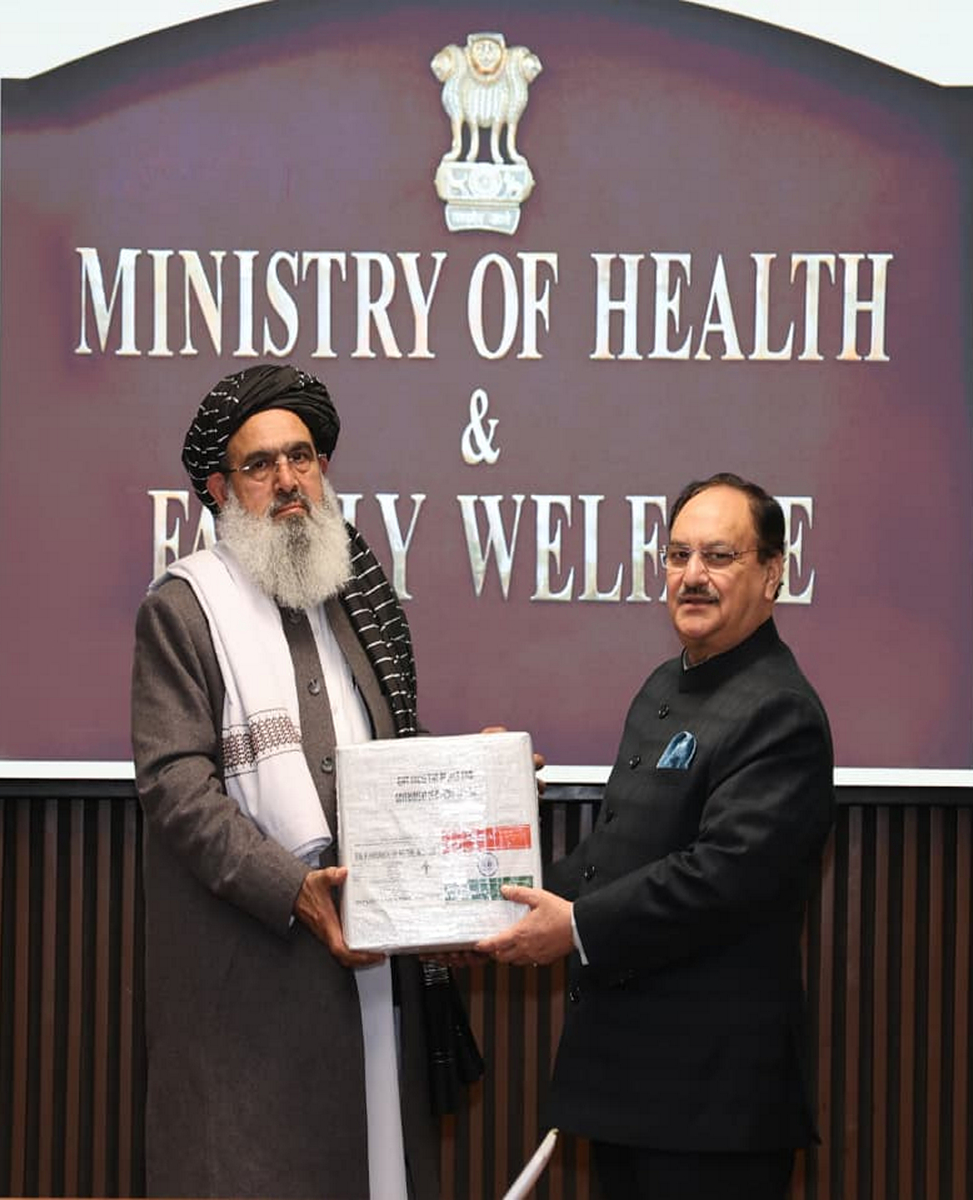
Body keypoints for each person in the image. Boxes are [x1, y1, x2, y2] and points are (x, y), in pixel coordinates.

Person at [130, 364, 443, 1200]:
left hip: (367, 977)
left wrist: (470, 784)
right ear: (220, 488)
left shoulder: (359, 607)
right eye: (260, 465)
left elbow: (386, 759)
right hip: (250, 981)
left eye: (301, 458)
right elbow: (175, 787)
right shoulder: (184, 609)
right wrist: (296, 889)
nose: (287, 481)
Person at [477, 472, 835, 1200]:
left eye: (719, 556)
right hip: (632, 1090)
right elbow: (619, 854)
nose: (692, 576)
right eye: (677, 556)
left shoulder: (781, 710)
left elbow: (720, 877)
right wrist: (502, 889)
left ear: (774, 574)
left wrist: (571, 926)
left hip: (714, 1106)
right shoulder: (661, 688)